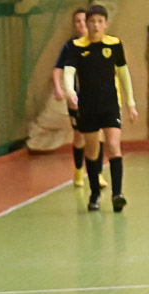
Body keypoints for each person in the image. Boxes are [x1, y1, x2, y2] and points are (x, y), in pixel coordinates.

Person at [62, 4, 138, 212]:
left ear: (105, 24)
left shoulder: (114, 45)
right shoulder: (76, 47)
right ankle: (95, 193)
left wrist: (131, 103)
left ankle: (117, 194)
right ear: (87, 25)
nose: (95, 25)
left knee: (113, 145)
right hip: (88, 107)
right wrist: (70, 91)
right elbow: (68, 71)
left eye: (99, 22)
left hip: (110, 105)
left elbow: (123, 73)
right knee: (92, 150)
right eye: (92, 22)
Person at [51, 7, 103, 188]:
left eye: (83, 21)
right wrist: (59, 88)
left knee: (97, 134)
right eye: (77, 21)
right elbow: (57, 69)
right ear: (74, 25)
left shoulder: (99, 43)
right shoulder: (70, 47)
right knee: (80, 135)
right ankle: (79, 171)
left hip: (95, 97)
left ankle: (97, 173)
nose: (81, 25)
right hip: (76, 99)